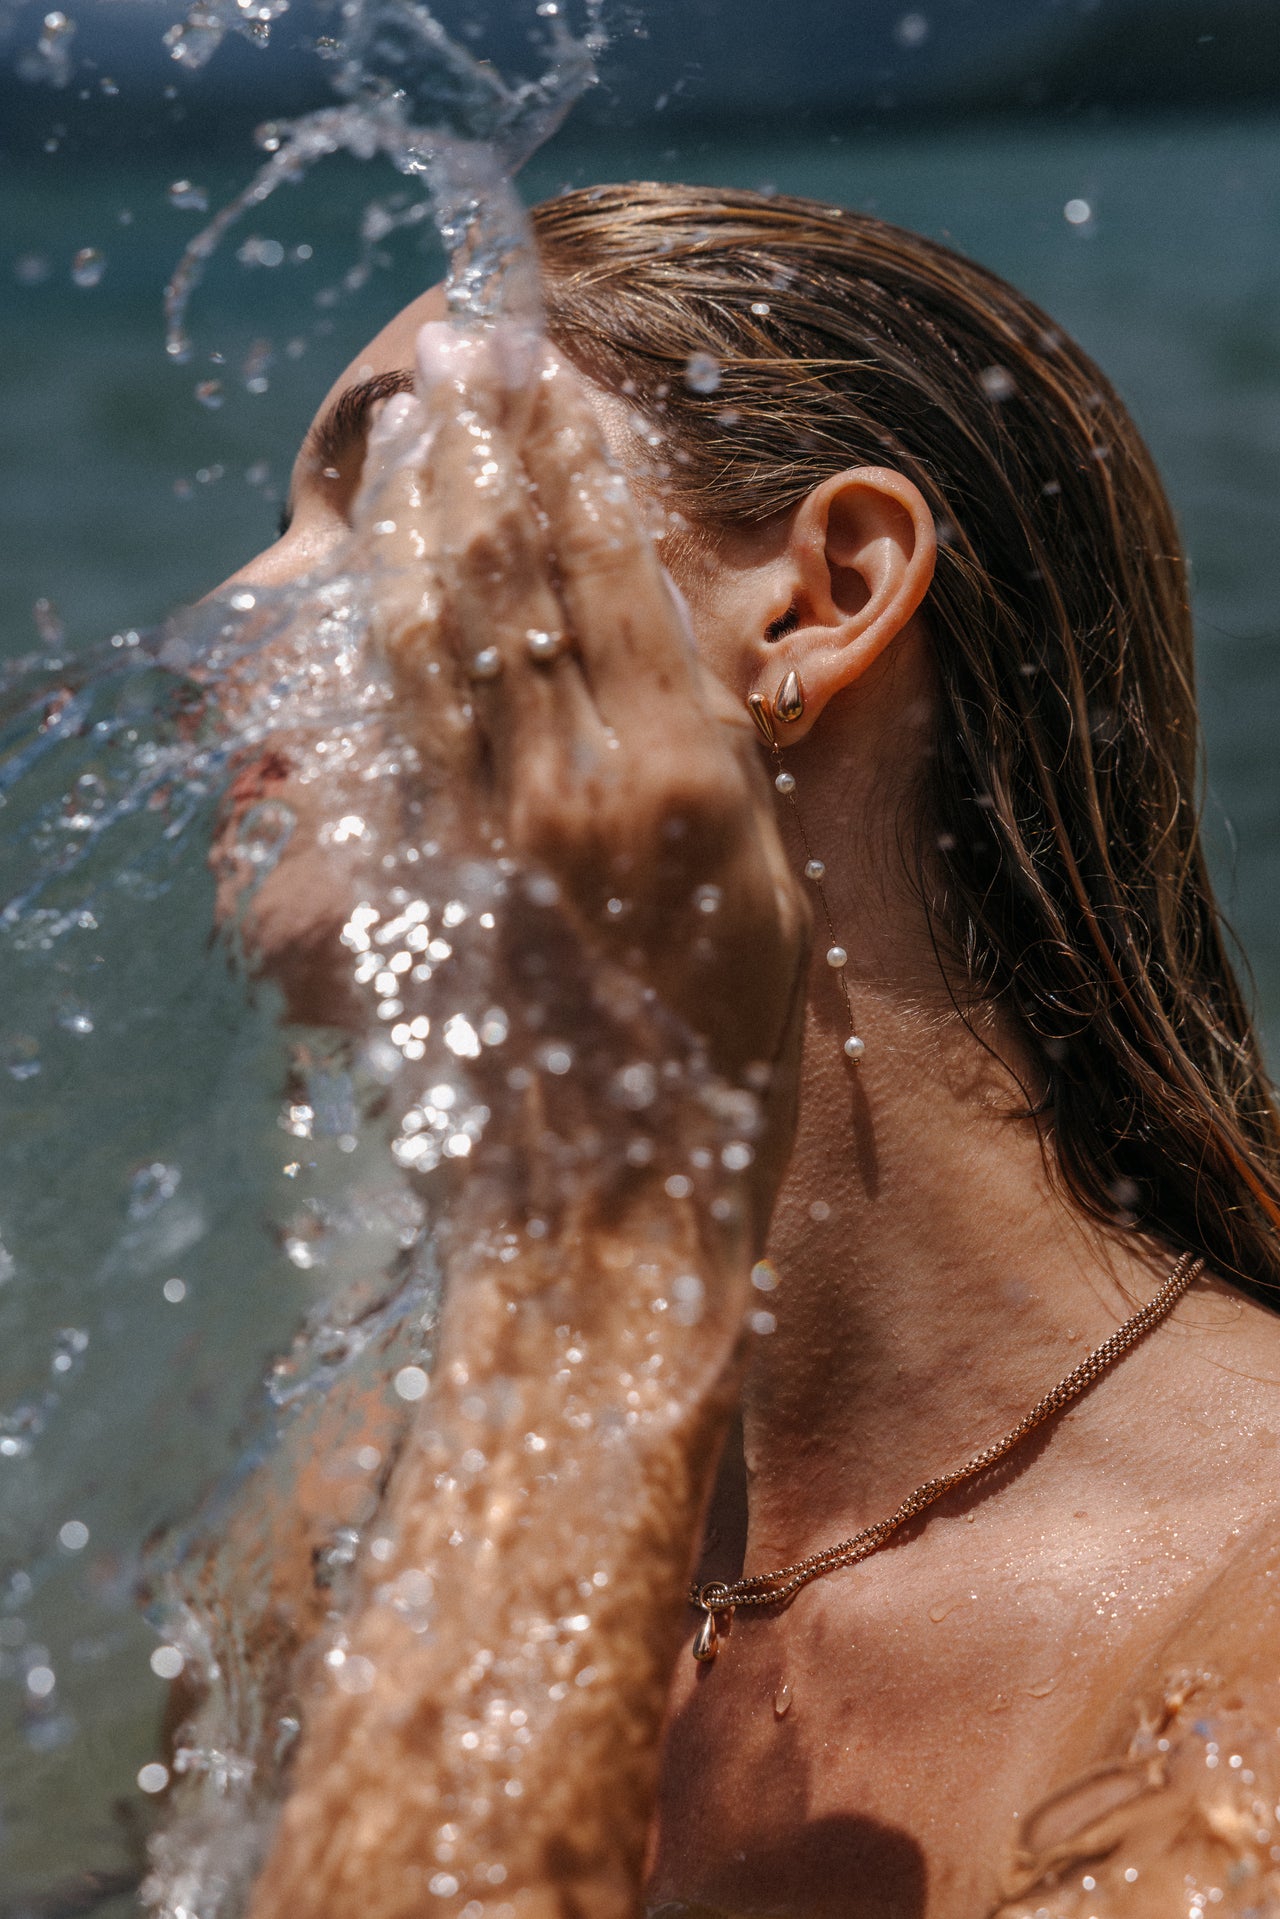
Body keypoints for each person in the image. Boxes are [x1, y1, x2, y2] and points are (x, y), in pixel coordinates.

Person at [192, 184, 1280, 1919]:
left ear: (820, 597)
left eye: (391, 496)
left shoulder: (1243, 1627)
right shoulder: (332, 1517)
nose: (226, 623)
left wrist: (606, 1237)